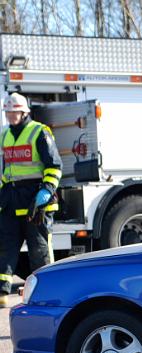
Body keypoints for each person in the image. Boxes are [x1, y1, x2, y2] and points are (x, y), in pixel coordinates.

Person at [0, 92, 62, 307]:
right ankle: (1, 294)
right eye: (8, 112)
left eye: (14, 112)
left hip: (36, 202)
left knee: (39, 249)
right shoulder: (5, 135)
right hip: (12, 201)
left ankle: (46, 293)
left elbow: (54, 166)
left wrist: (45, 191)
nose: (10, 116)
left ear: (24, 112)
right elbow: (5, 172)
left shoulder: (39, 132)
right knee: (5, 250)